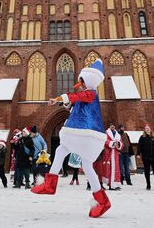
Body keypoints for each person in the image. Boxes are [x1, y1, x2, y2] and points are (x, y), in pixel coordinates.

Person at [32, 60, 111, 218]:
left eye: (82, 82)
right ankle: (102, 201)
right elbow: (78, 104)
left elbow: (78, 96)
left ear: (88, 81)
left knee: (61, 150)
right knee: (86, 165)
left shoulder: (91, 92)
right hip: (88, 135)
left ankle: (50, 184)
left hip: (85, 133)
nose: (80, 84)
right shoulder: (89, 95)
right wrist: (65, 104)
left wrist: (59, 98)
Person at [137, 124, 154, 191]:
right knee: (147, 172)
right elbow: (139, 146)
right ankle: (148, 185)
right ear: (144, 130)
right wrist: (138, 154)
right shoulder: (142, 137)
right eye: (146, 128)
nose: (147, 129)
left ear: (150, 129)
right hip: (146, 157)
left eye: (148, 128)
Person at [102, 124, 123, 190]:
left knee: (116, 169)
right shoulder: (106, 133)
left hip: (115, 154)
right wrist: (113, 143)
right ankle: (107, 183)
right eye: (111, 125)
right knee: (108, 168)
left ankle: (115, 184)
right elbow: (105, 141)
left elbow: (122, 143)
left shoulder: (118, 135)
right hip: (108, 153)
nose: (113, 127)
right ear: (109, 126)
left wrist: (119, 144)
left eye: (114, 126)